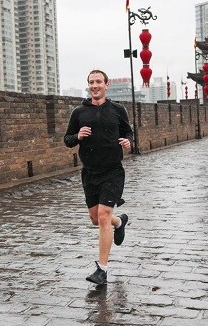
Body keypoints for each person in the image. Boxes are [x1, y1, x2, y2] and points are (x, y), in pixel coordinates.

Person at [64, 69, 133, 285]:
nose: (95, 85)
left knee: (103, 216)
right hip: (89, 172)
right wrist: (78, 136)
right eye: (91, 82)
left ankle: (101, 270)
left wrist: (128, 142)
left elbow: (128, 132)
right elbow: (67, 139)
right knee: (96, 219)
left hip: (112, 171)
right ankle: (119, 222)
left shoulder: (117, 110)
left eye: (98, 82)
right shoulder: (79, 112)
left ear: (106, 84)